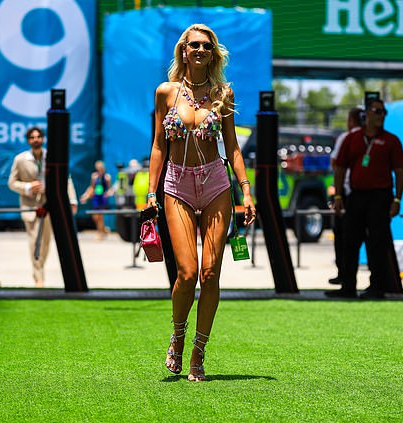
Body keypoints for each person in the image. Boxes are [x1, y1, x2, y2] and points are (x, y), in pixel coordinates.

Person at [147, 24, 256, 382]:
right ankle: (177, 335)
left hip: (215, 183)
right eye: (193, 45)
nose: (199, 50)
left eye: (206, 46)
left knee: (211, 273)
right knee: (187, 272)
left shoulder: (223, 93)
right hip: (176, 183)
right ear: (183, 51)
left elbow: (232, 146)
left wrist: (246, 189)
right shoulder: (166, 93)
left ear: (213, 52)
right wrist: (151, 192)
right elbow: (159, 146)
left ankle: (199, 349)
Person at [326, 98, 403, 299]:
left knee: (377, 242)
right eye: (377, 111)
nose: (381, 115)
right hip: (356, 196)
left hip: (381, 197)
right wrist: (338, 196)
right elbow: (340, 168)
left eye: (383, 112)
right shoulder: (352, 139)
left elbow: (400, 172)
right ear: (367, 114)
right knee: (349, 241)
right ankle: (348, 286)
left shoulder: (391, 140)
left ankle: (377, 286)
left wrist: (397, 200)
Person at [8, 127, 77, 287]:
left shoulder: (50, 157)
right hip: (30, 206)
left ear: (43, 139)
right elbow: (11, 182)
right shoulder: (20, 159)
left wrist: (72, 200)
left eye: (38, 136)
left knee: (45, 243)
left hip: (50, 205)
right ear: (28, 140)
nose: (36, 139)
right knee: (34, 242)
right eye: (32, 137)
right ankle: (39, 277)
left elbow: (65, 178)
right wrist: (27, 187)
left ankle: (39, 268)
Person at [328, 107, 363, 285]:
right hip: (366, 193)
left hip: (348, 193)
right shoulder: (372, 138)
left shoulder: (347, 137)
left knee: (345, 237)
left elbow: (336, 163)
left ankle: (346, 277)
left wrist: (338, 195)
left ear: (351, 120)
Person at [80, 160, 114, 240]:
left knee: (100, 217)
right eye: (98, 169)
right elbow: (91, 187)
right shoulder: (94, 176)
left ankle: (100, 233)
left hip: (103, 198)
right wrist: (86, 195)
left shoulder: (107, 177)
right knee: (95, 217)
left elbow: (110, 189)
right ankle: (104, 229)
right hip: (96, 198)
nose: (100, 170)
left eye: (101, 168)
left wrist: (108, 193)